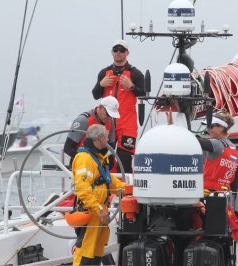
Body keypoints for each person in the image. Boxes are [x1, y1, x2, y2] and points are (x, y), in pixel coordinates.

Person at [71, 124, 129, 265]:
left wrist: (129, 189)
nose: (108, 139)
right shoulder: (84, 159)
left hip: (99, 215)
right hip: (91, 213)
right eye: (106, 136)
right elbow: (83, 189)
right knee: (84, 252)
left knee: (95, 254)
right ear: (99, 138)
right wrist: (99, 209)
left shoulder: (97, 158)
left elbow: (109, 181)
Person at [92, 40, 145, 173]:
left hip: (127, 124)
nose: (118, 52)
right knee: (104, 159)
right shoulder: (104, 73)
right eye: (116, 50)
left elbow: (144, 93)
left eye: (122, 50)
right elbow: (95, 95)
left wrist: (131, 86)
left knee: (125, 159)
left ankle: (126, 189)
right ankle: (106, 190)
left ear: (127, 53)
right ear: (111, 52)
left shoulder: (135, 73)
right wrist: (101, 85)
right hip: (107, 124)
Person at [64, 96, 120, 163]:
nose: (109, 118)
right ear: (100, 107)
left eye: (112, 115)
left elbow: (110, 146)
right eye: (108, 114)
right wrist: (88, 160)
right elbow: (68, 148)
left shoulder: (111, 121)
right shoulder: (83, 120)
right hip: (81, 163)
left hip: (99, 164)